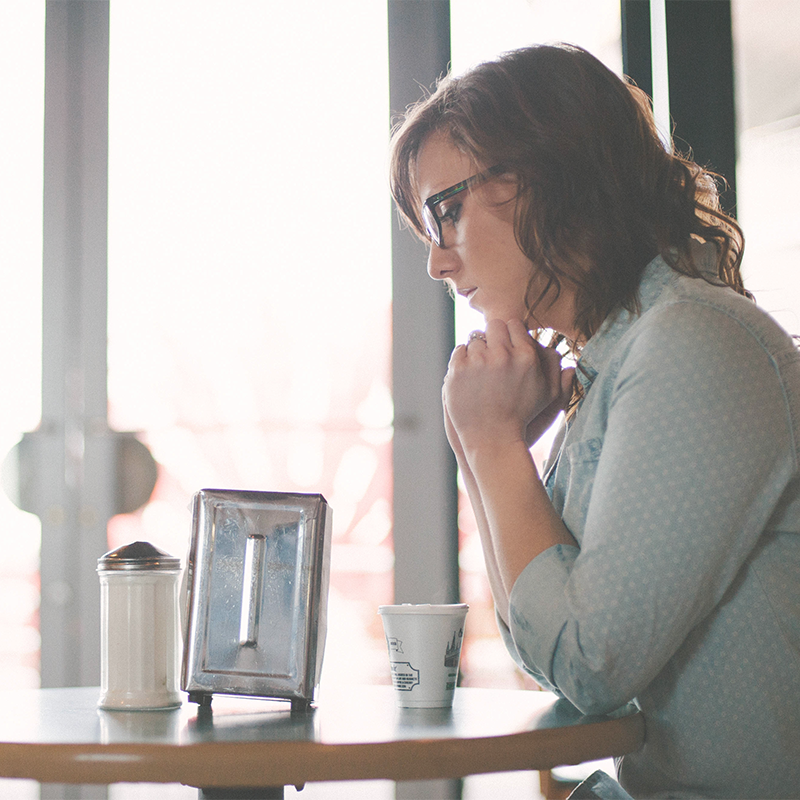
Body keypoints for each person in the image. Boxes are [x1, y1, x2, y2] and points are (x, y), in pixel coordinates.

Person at [389, 43, 800, 799]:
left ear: (545, 174)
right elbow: (541, 646)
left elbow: (589, 664)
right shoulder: (617, 361)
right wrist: (482, 444)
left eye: (446, 212)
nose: (437, 264)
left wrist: (491, 444)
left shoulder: (695, 344)